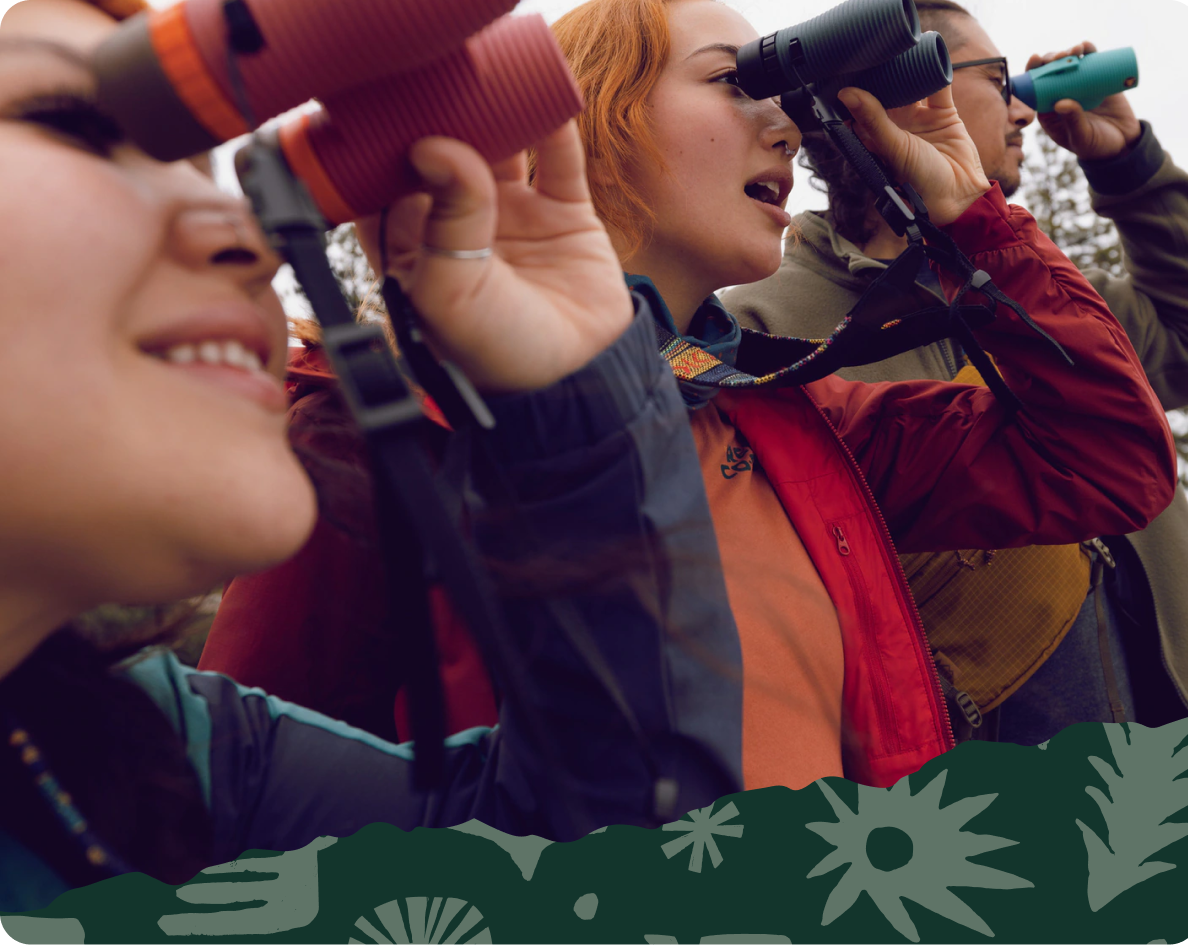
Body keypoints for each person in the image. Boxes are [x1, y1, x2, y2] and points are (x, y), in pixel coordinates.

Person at [204, 0, 1176, 797]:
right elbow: (241, 798)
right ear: (588, 120)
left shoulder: (793, 425)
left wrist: (972, 215)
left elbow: (1104, 462)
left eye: (781, 93)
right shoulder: (396, 431)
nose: (785, 122)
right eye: (732, 80)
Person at [0, 0, 747, 913]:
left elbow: (628, 884)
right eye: (72, 127)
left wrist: (576, 388)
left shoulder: (160, 758)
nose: (249, 239)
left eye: (204, 171)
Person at [723, 0, 1188, 745]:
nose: (1022, 109)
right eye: (1000, 79)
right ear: (915, 91)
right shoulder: (762, 337)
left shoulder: (1055, 299)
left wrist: (1127, 162)